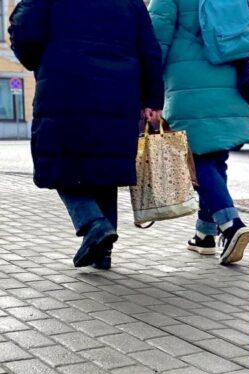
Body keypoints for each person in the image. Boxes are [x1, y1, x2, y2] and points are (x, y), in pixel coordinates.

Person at [9, 0, 164, 270]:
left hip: (65, 85)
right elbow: (149, 49)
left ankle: (93, 223)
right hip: (119, 92)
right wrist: (152, 99)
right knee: (105, 168)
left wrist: (39, 59)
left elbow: (24, 28)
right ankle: (103, 251)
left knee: (58, 162)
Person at [149, 0, 249, 265]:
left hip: (189, 83)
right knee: (214, 157)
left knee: (197, 159)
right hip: (233, 78)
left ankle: (230, 224)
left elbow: (156, 40)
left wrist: (149, 91)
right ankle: (204, 234)